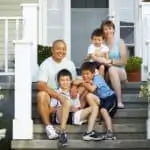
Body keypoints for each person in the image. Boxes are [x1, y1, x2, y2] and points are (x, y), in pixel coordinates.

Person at [36, 39, 77, 145]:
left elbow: (75, 80)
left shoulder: (70, 64)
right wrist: (59, 96)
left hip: (67, 94)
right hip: (51, 95)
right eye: (58, 49)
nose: (61, 51)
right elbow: (40, 84)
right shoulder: (46, 64)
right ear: (52, 50)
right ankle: (49, 128)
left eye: (63, 49)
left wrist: (74, 86)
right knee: (41, 94)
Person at [51, 69, 102, 142]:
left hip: (73, 116)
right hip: (60, 116)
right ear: (58, 81)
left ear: (71, 81)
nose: (65, 82)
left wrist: (75, 108)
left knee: (95, 107)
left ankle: (89, 132)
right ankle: (62, 132)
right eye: (62, 80)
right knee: (67, 102)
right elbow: (51, 109)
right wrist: (66, 107)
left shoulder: (73, 91)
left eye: (67, 80)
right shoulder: (56, 92)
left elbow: (77, 107)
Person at [78, 62, 117, 140]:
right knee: (89, 96)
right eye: (83, 74)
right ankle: (91, 129)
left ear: (93, 73)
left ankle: (110, 132)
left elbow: (92, 89)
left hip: (110, 98)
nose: (85, 76)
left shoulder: (98, 78)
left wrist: (82, 82)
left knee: (103, 110)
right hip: (102, 100)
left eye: (87, 74)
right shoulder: (90, 80)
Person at [100, 20, 128, 108]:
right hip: (107, 73)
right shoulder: (101, 44)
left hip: (121, 72)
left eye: (110, 28)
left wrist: (111, 61)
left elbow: (124, 61)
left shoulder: (120, 42)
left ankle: (119, 101)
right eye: (105, 29)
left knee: (112, 70)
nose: (108, 31)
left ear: (113, 30)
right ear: (103, 31)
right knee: (107, 70)